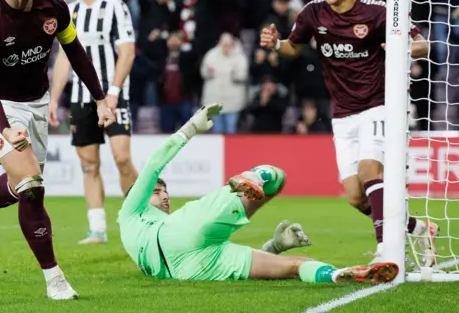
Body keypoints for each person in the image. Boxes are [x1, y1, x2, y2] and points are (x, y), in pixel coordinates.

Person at [259, 0, 437, 266]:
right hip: (342, 114)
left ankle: (385, 253)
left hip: (378, 104)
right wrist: (275, 45)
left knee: (371, 171)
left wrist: (397, 49)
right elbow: (294, 48)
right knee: (357, 197)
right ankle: (420, 228)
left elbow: (423, 45)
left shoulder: (377, 11)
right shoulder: (313, 12)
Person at [0, 0, 115, 301]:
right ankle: (54, 279)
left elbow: (75, 51)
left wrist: (100, 98)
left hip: (35, 99)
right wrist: (5, 127)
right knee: (32, 186)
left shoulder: (54, 5)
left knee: (24, 184)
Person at [118, 103, 400, 283]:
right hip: (180, 238)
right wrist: (191, 127)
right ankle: (252, 177)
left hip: (189, 270)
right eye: (156, 192)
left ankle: (339, 274)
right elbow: (154, 164)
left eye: (165, 191)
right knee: (277, 177)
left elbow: (207, 249)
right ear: (139, 197)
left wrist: (273, 247)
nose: (164, 195)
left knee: (292, 266)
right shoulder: (131, 210)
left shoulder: (145, 228)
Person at [49, 0, 138, 245]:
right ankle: (97, 229)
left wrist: (113, 91)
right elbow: (64, 58)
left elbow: (127, 52)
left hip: (113, 97)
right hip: (80, 98)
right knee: (89, 165)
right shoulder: (70, 11)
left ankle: (139, 221)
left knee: (122, 158)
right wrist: (54, 99)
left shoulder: (115, 7)